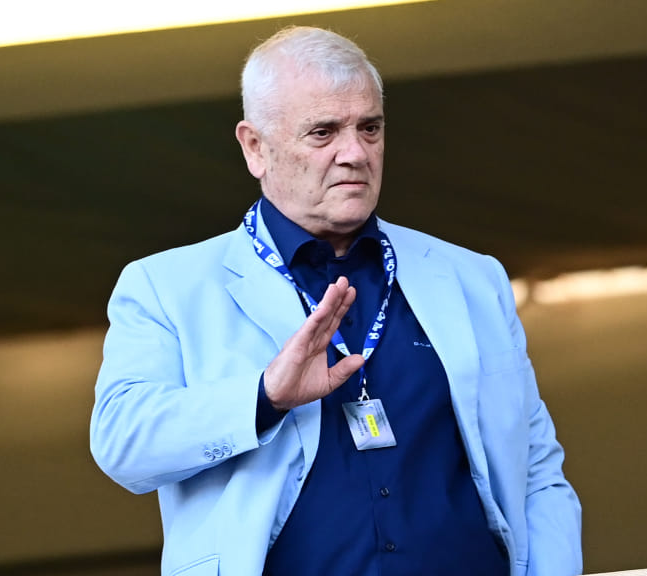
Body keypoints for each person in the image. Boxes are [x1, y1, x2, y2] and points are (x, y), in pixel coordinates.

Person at [90, 26, 582, 576]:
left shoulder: (472, 277)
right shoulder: (166, 286)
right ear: (255, 148)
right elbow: (124, 443)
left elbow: (536, 470)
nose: (355, 154)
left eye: (370, 128)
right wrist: (264, 397)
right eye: (323, 132)